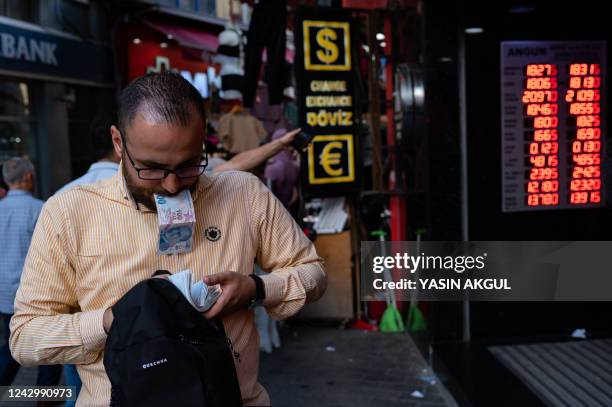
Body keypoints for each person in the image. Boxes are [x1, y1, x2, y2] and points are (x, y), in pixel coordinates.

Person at [10, 73, 327, 406]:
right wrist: (109, 321)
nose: (172, 185)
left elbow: (313, 274)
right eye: (152, 169)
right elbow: (26, 337)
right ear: (118, 143)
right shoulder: (68, 212)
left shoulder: (244, 195)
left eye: (189, 165)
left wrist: (257, 289)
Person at [54, 113, 120, 407]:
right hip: (132, 328)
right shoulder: (142, 193)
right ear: (119, 140)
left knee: (78, 394)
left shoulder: (62, 197)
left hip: (78, 324)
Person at [0, 158, 62, 387]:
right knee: (50, 348)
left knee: (12, 345)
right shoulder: (41, 208)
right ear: (28, 177)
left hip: (4, 294)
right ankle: (45, 399)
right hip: (36, 293)